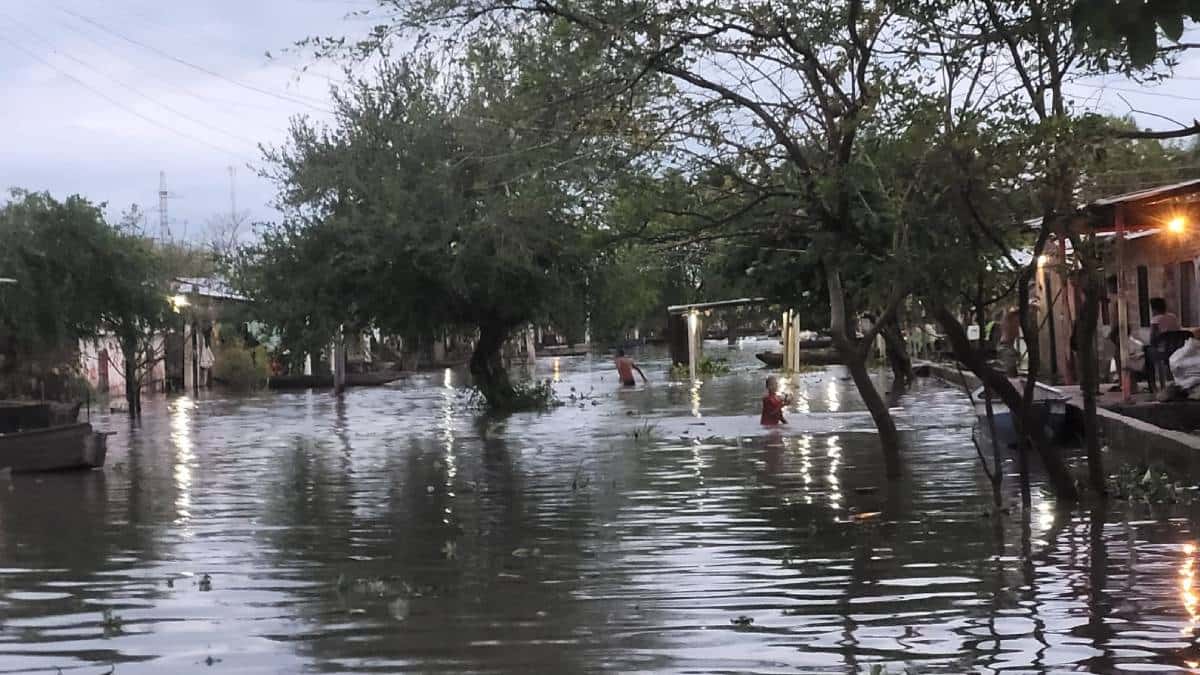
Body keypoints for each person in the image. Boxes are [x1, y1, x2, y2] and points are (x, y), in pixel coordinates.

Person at [997, 307, 1021, 377]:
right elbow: (1010, 312)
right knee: (1011, 373)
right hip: (1005, 347)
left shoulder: (1015, 323)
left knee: (1013, 371)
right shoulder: (1007, 319)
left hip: (1010, 347)